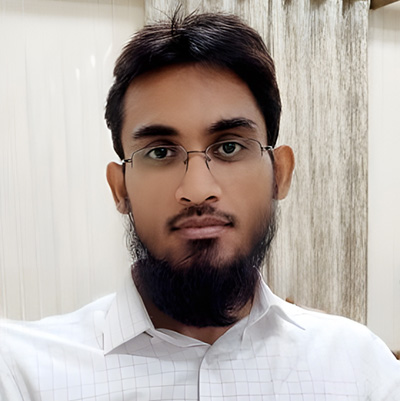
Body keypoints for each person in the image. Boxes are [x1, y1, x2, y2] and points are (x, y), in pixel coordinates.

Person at [1, 11, 399, 401]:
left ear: (280, 173)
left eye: (230, 147)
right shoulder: (21, 372)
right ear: (120, 188)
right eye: (160, 152)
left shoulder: (359, 368)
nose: (196, 190)